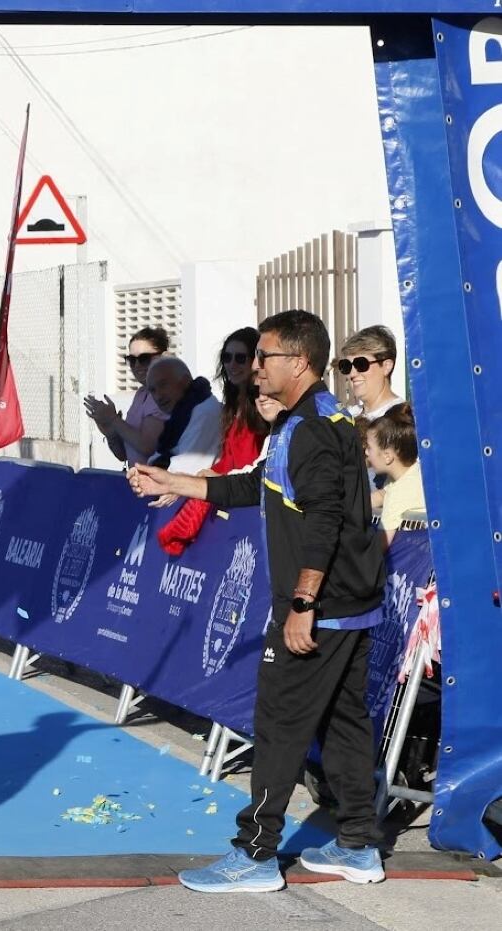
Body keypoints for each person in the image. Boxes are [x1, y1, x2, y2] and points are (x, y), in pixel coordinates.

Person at [129, 309, 386, 893]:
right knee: (346, 725)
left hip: (322, 606)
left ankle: (256, 854)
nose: (254, 368)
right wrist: (173, 483)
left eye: (265, 357)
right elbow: (255, 486)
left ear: (299, 363)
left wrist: (302, 603)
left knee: (279, 725)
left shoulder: (314, 428)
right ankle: (358, 844)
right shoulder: (308, 421)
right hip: (350, 603)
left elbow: (324, 521)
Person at [157, 327, 271, 554]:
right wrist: (194, 479)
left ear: (255, 362)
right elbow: (228, 458)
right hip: (228, 490)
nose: (232, 364)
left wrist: (208, 480)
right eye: (227, 358)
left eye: (240, 358)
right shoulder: (232, 404)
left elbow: (252, 460)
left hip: (245, 497)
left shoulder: (263, 405)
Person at [84, 326, 170, 465]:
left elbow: (147, 447)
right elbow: (124, 455)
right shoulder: (141, 395)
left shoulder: (165, 395)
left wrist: (113, 419)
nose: (137, 365)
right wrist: (110, 432)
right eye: (131, 360)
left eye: (144, 359)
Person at [144, 356, 222, 474]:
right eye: (153, 390)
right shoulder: (181, 413)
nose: (158, 396)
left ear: (185, 381)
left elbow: (187, 470)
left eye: (163, 385)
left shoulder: (204, 411)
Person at [365, 404, 424, 544]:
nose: (366, 452)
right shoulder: (411, 473)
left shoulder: (399, 494)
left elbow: (382, 544)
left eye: (369, 447)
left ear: (387, 456)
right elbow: (382, 495)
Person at [338, 325, 402, 420]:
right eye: (347, 365)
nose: (352, 374)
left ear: (386, 366)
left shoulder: (402, 420)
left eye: (361, 364)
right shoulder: (347, 417)